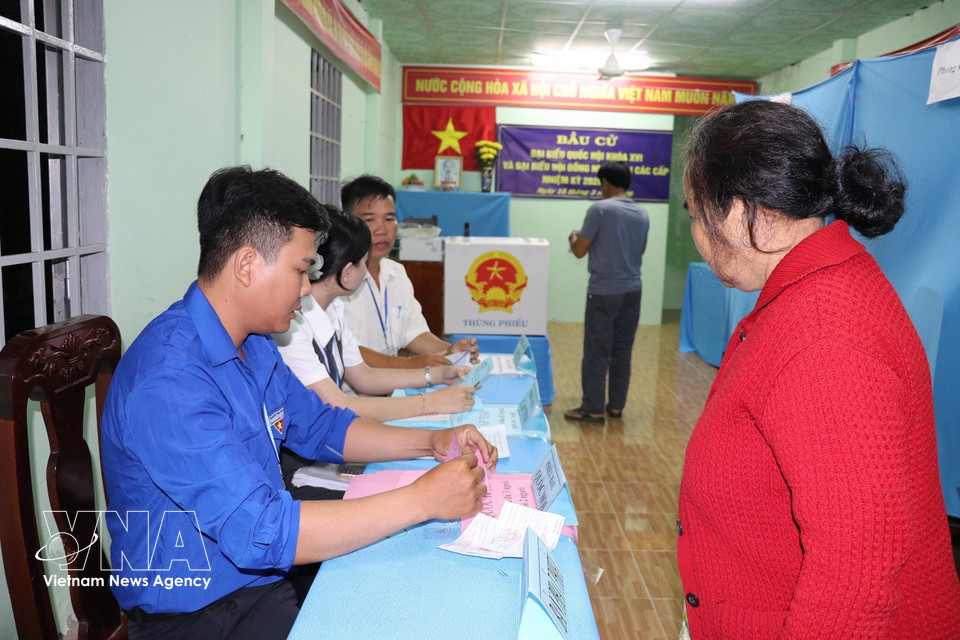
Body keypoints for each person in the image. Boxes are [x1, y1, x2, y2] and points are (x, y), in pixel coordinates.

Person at [100, 166, 496, 640]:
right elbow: (261, 531)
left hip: (262, 580)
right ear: (247, 265)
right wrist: (422, 499)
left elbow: (324, 427)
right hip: (203, 613)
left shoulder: (255, 342)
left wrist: (432, 443)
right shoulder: (169, 380)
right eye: (300, 270)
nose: (307, 287)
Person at [677, 100, 960, 639]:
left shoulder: (825, 335)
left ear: (742, 211)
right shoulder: (811, 288)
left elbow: (857, 573)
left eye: (695, 213)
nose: (696, 229)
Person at [274, 209, 477, 422]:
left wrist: (436, 375)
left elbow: (364, 376)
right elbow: (339, 406)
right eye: (364, 262)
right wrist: (431, 403)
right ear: (347, 272)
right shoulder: (293, 324)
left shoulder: (334, 308)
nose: (366, 270)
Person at [340, 174, 479, 368]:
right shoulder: (338, 280)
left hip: (393, 379)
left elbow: (413, 332)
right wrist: (409, 365)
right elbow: (346, 351)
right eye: (370, 219)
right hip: (353, 385)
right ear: (349, 225)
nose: (382, 229)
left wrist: (450, 350)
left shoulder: (397, 272)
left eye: (389, 218)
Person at [564, 161, 649, 423]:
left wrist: (574, 237)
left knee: (597, 350)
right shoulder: (642, 213)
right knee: (623, 349)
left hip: (603, 292)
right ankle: (615, 407)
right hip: (633, 291)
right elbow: (640, 251)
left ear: (605, 183)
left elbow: (580, 250)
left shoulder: (599, 209)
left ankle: (592, 408)